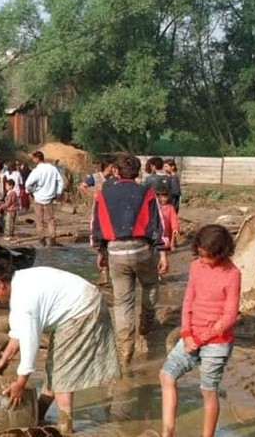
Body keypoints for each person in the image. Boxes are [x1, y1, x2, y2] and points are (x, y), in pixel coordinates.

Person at [0, 261, 119, 435]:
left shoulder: (24, 298)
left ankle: (65, 426)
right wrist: (4, 359)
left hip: (83, 309)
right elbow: (17, 333)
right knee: (56, 365)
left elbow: (30, 341)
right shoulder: (20, 286)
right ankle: (39, 412)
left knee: (62, 370)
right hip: (82, 304)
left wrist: (21, 381)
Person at [159, 224, 241, 437]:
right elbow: (188, 300)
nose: (203, 260)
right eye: (200, 255)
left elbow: (230, 316)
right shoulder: (196, 267)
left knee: (208, 389)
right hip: (191, 337)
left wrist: (201, 338)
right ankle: (168, 432)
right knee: (166, 376)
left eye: (207, 257)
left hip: (217, 342)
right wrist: (186, 334)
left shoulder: (233, 274)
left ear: (220, 253)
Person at [92, 153, 166, 368]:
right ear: (138, 172)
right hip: (142, 249)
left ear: (116, 171)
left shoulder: (103, 194)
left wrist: (100, 251)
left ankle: (125, 353)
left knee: (123, 302)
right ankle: (146, 321)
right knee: (151, 284)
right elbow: (156, 225)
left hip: (115, 251)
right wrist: (162, 253)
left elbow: (96, 226)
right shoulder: (147, 193)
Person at [24, 150, 64, 246]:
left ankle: (41, 239)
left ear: (37, 158)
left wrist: (31, 191)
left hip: (38, 197)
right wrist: (58, 192)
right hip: (50, 197)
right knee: (50, 219)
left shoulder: (37, 170)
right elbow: (60, 181)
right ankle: (52, 239)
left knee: (39, 220)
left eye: (33, 158)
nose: (33, 160)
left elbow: (27, 184)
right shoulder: (52, 168)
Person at [157, 181, 179, 255]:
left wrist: (175, 228)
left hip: (167, 233)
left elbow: (174, 220)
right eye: (160, 197)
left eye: (165, 197)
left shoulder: (170, 208)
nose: (163, 199)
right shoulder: (155, 208)